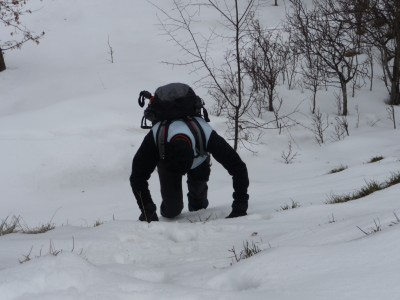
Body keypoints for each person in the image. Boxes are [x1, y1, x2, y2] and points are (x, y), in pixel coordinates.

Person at [130, 86, 249, 223]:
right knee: (172, 211)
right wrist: (148, 211)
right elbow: (137, 177)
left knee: (199, 205)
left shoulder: (205, 133)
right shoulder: (156, 137)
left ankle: (197, 209)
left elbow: (238, 167)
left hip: (199, 159)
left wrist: (240, 206)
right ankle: (171, 207)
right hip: (168, 164)